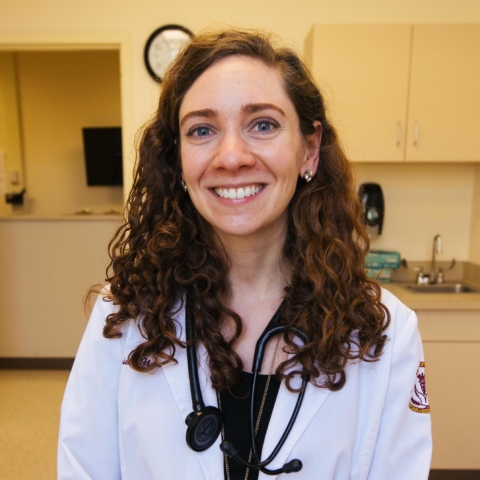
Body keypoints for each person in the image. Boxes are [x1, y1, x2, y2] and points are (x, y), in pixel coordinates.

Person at [58, 28, 432, 479]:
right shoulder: (123, 315)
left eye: (263, 124)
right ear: (178, 160)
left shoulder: (384, 334)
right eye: (202, 129)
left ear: (309, 149)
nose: (231, 156)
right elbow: (84, 468)